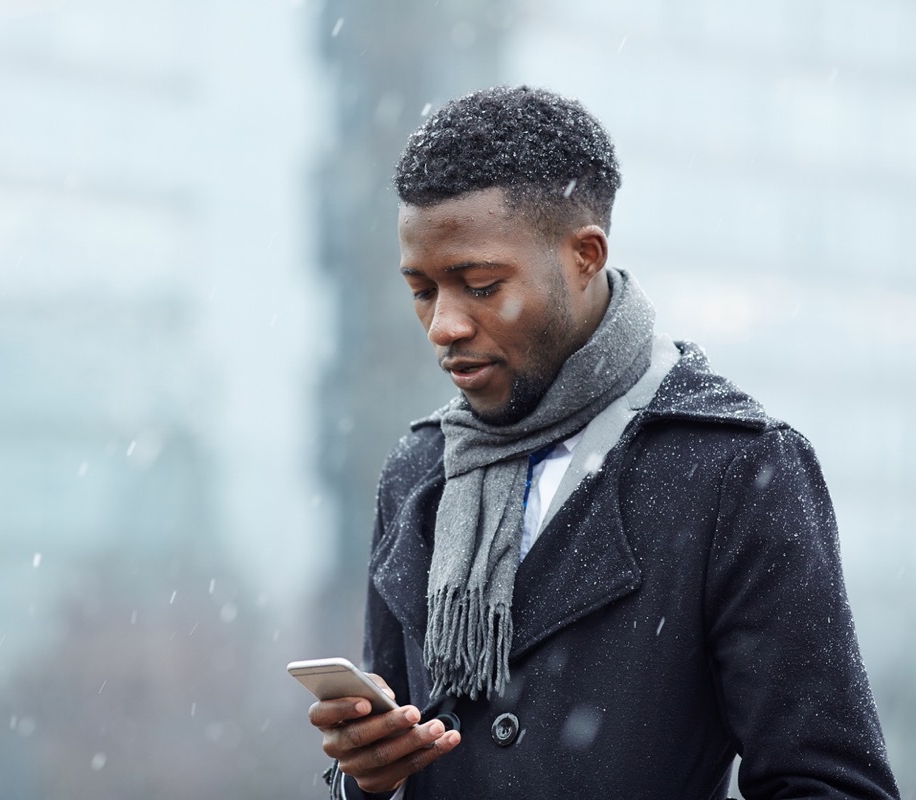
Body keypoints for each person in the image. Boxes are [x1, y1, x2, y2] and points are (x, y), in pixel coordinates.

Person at [306, 86, 900, 799]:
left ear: (585, 256)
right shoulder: (418, 473)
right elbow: (398, 752)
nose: (444, 326)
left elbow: (828, 785)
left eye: (482, 286)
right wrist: (364, 781)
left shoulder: (738, 468)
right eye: (423, 291)